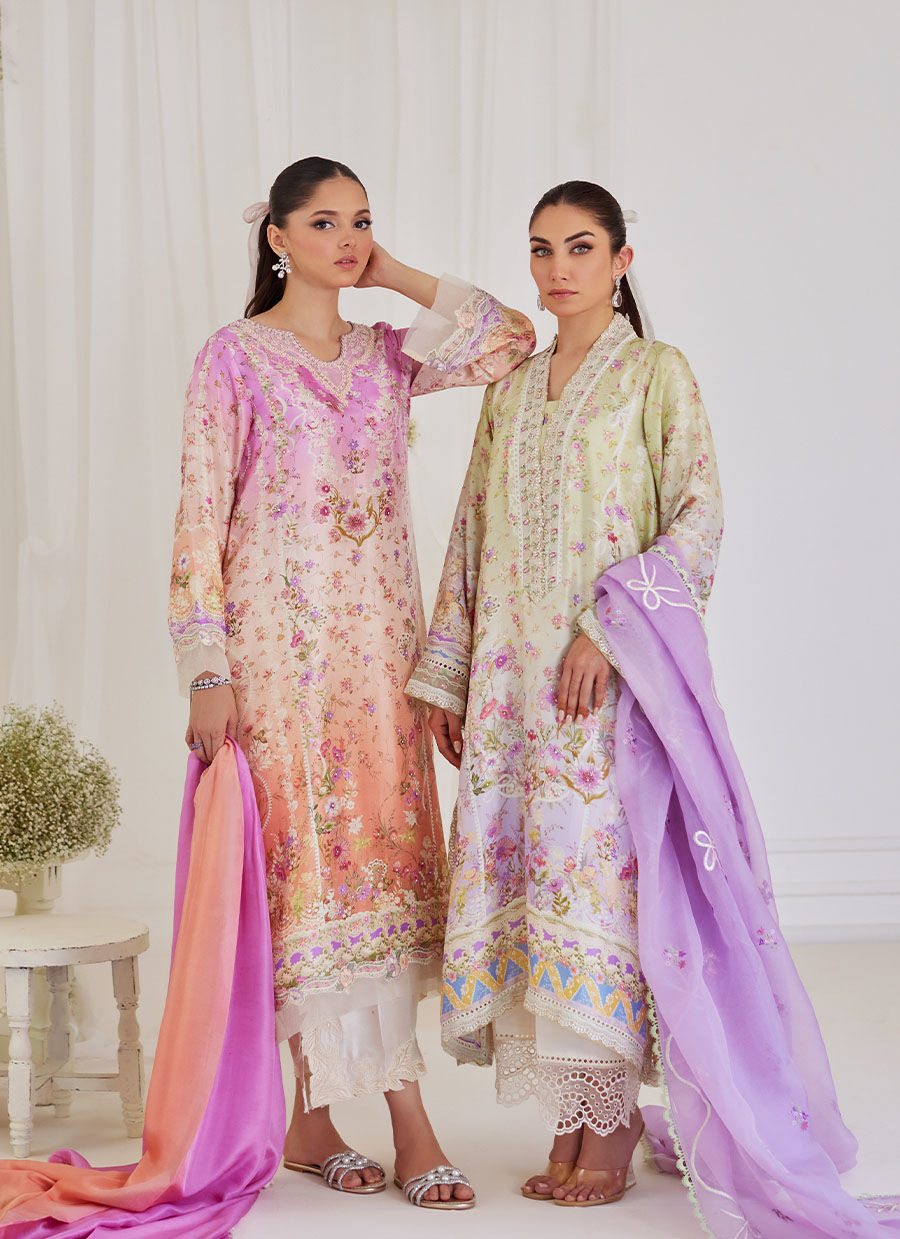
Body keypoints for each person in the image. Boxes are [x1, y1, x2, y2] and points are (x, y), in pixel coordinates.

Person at [408, 181, 900, 1234]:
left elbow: (699, 516)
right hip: (509, 683)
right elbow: (471, 531)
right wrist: (448, 675)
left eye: (581, 248)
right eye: (541, 249)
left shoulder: (656, 374)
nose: (558, 270)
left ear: (622, 260)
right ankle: (574, 1114)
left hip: (605, 683)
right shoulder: (512, 389)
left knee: (599, 885)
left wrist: (609, 630)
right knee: (533, 879)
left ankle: (613, 1121)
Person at [168, 155, 535, 1210]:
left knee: (381, 878)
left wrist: (398, 275)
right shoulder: (234, 357)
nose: (347, 239)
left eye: (361, 221)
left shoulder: (386, 356)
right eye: (325, 222)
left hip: (381, 662)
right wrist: (205, 667)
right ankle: (397, 1121)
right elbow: (199, 517)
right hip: (279, 662)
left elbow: (510, 340)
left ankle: (316, 1120)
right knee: (312, 885)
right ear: (277, 236)